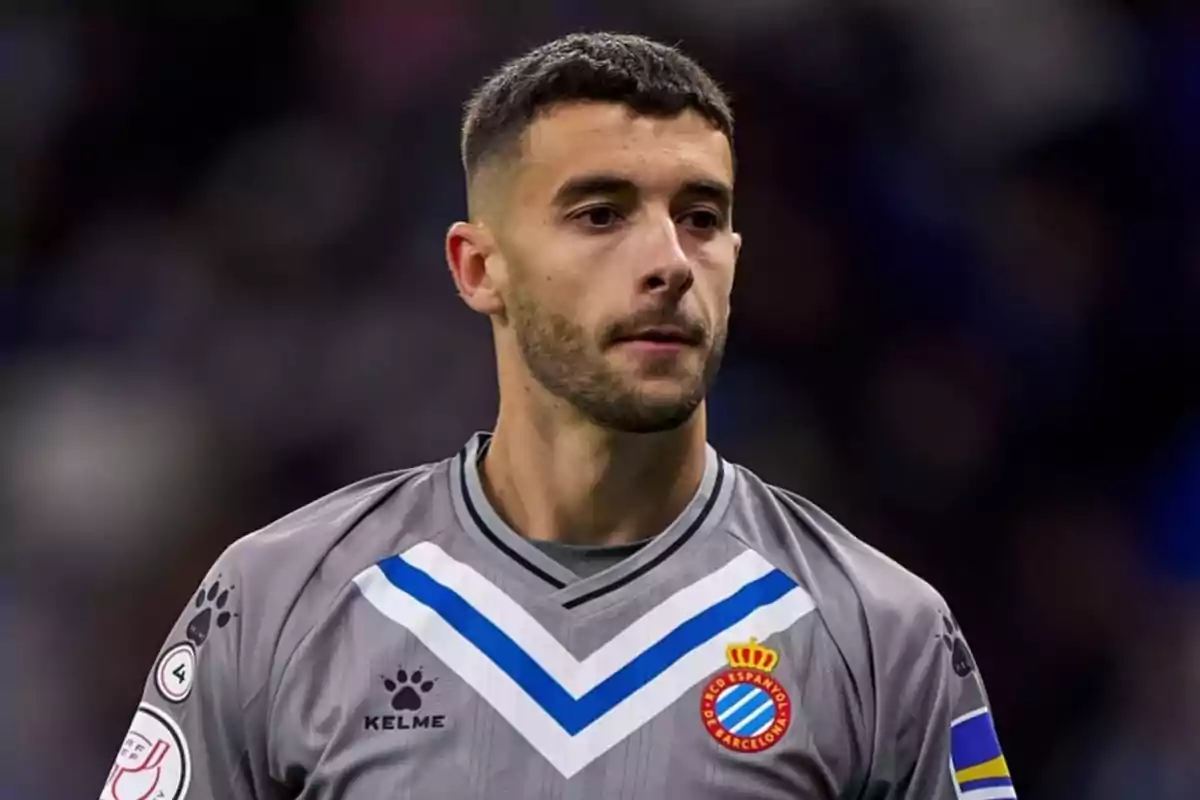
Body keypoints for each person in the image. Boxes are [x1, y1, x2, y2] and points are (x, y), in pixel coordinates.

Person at [101, 32, 1016, 800]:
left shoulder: (879, 629)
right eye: (600, 214)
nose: (667, 261)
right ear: (477, 268)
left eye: (701, 217)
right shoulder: (277, 602)